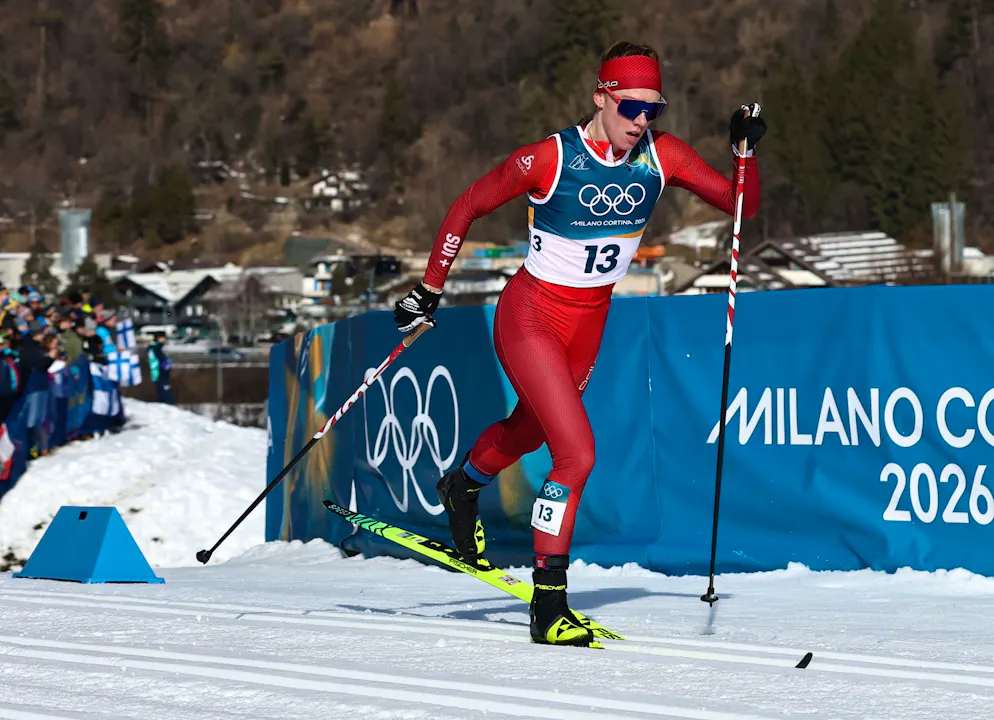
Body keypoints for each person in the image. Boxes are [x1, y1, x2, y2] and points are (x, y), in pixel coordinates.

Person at [393, 41, 766, 647]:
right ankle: (548, 608)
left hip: (588, 324)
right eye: (631, 108)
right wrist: (432, 288)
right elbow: (467, 205)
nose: (642, 121)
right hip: (532, 316)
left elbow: (736, 205)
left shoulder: (660, 156)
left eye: (654, 109)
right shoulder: (549, 158)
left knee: (533, 431)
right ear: (601, 97)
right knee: (577, 455)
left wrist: (743, 153)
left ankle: (462, 485)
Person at [147, 331, 173, 405]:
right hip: (159, 373)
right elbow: (159, 360)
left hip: (159, 373)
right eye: (163, 338)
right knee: (165, 394)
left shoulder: (157, 347)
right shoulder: (155, 348)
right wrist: (166, 363)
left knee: (163, 392)